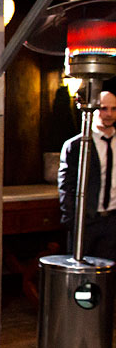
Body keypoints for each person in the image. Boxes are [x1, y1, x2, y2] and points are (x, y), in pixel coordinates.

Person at [58, 86, 116, 262]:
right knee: (81, 273)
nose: (109, 114)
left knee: (108, 276)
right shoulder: (77, 145)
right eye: (103, 108)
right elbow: (65, 185)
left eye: (113, 108)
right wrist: (72, 221)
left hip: (112, 220)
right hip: (86, 220)